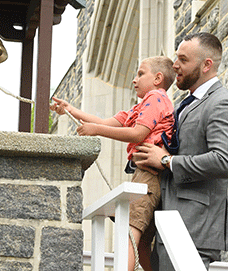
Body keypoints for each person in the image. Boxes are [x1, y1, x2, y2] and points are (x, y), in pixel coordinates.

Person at [132, 32, 228, 270]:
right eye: (176, 58)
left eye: (183, 60)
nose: (175, 66)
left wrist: (166, 160)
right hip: (164, 230)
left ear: (207, 65)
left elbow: (224, 161)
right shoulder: (182, 106)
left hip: (193, 232)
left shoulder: (224, 103)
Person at [50, 56, 176, 271]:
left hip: (149, 175)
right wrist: (70, 110)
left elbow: (137, 133)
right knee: (142, 242)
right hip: (144, 174)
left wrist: (96, 132)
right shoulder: (142, 107)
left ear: (157, 78)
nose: (134, 80)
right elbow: (104, 121)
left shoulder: (156, 98)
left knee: (129, 234)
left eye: (140, 73)